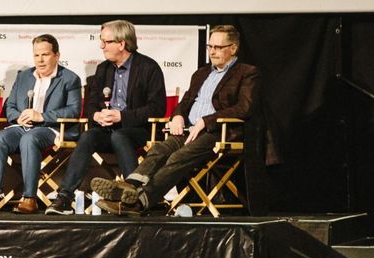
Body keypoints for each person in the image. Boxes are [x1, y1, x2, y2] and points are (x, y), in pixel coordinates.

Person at [92, 24, 260, 215]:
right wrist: (178, 115)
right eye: (210, 46)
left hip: (218, 133)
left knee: (178, 157)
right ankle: (129, 186)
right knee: (159, 149)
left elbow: (244, 107)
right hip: (189, 130)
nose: (212, 51)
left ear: (233, 48)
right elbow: (186, 100)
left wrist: (207, 120)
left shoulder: (247, 73)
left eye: (218, 47)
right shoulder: (202, 73)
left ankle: (139, 202)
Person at [45, 20, 166, 215]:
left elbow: (157, 108)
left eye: (106, 42)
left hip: (138, 130)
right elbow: (91, 105)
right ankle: (64, 197)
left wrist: (122, 116)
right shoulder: (103, 69)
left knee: (120, 136)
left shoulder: (148, 68)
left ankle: (132, 196)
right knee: (88, 136)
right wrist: (97, 115)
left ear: (122, 44)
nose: (101, 46)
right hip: (106, 129)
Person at [0, 34, 81, 214]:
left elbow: (73, 110)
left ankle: (29, 198)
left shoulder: (70, 78)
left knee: (29, 138)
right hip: (22, 126)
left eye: (45, 55)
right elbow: (9, 105)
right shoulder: (24, 76)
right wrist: (18, 117)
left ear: (56, 55)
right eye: (36, 55)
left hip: (51, 128)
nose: (40, 60)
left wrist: (41, 116)